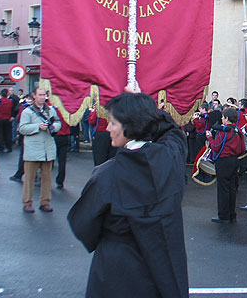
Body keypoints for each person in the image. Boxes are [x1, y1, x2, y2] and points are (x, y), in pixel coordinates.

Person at [68, 90, 189, 298]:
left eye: (113, 122)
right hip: (163, 265)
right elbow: (174, 133)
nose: (108, 127)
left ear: (129, 127)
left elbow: (83, 223)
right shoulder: (170, 160)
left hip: (118, 269)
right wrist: (145, 105)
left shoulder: (108, 174)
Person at [19, 88, 60, 212]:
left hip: (48, 149)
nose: (42, 97)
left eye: (44, 95)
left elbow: (58, 123)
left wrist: (52, 127)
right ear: (34, 96)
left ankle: (45, 201)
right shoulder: (27, 112)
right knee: (29, 178)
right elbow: (22, 128)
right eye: (40, 95)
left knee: (47, 178)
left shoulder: (51, 110)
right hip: (33, 149)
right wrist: (38, 127)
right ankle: (27, 202)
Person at [207, 107, 245, 224]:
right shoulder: (238, 130)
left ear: (227, 118)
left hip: (224, 161)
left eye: (223, 117)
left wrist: (209, 138)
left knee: (223, 188)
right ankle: (231, 214)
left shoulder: (224, 132)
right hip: (235, 160)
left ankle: (223, 215)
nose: (222, 119)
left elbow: (216, 147)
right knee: (232, 188)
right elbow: (243, 148)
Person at [53, 107, 72, 189]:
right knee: (62, 161)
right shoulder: (68, 111)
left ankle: (44, 178)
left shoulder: (54, 111)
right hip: (65, 136)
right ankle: (60, 181)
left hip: (56, 135)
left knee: (51, 159)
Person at [0, 88, 13, 153]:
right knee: (8, 133)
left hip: (0, 118)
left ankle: (1, 147)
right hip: (7, 118)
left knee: (0, 134)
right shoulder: (10, 101)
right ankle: (9, 147)